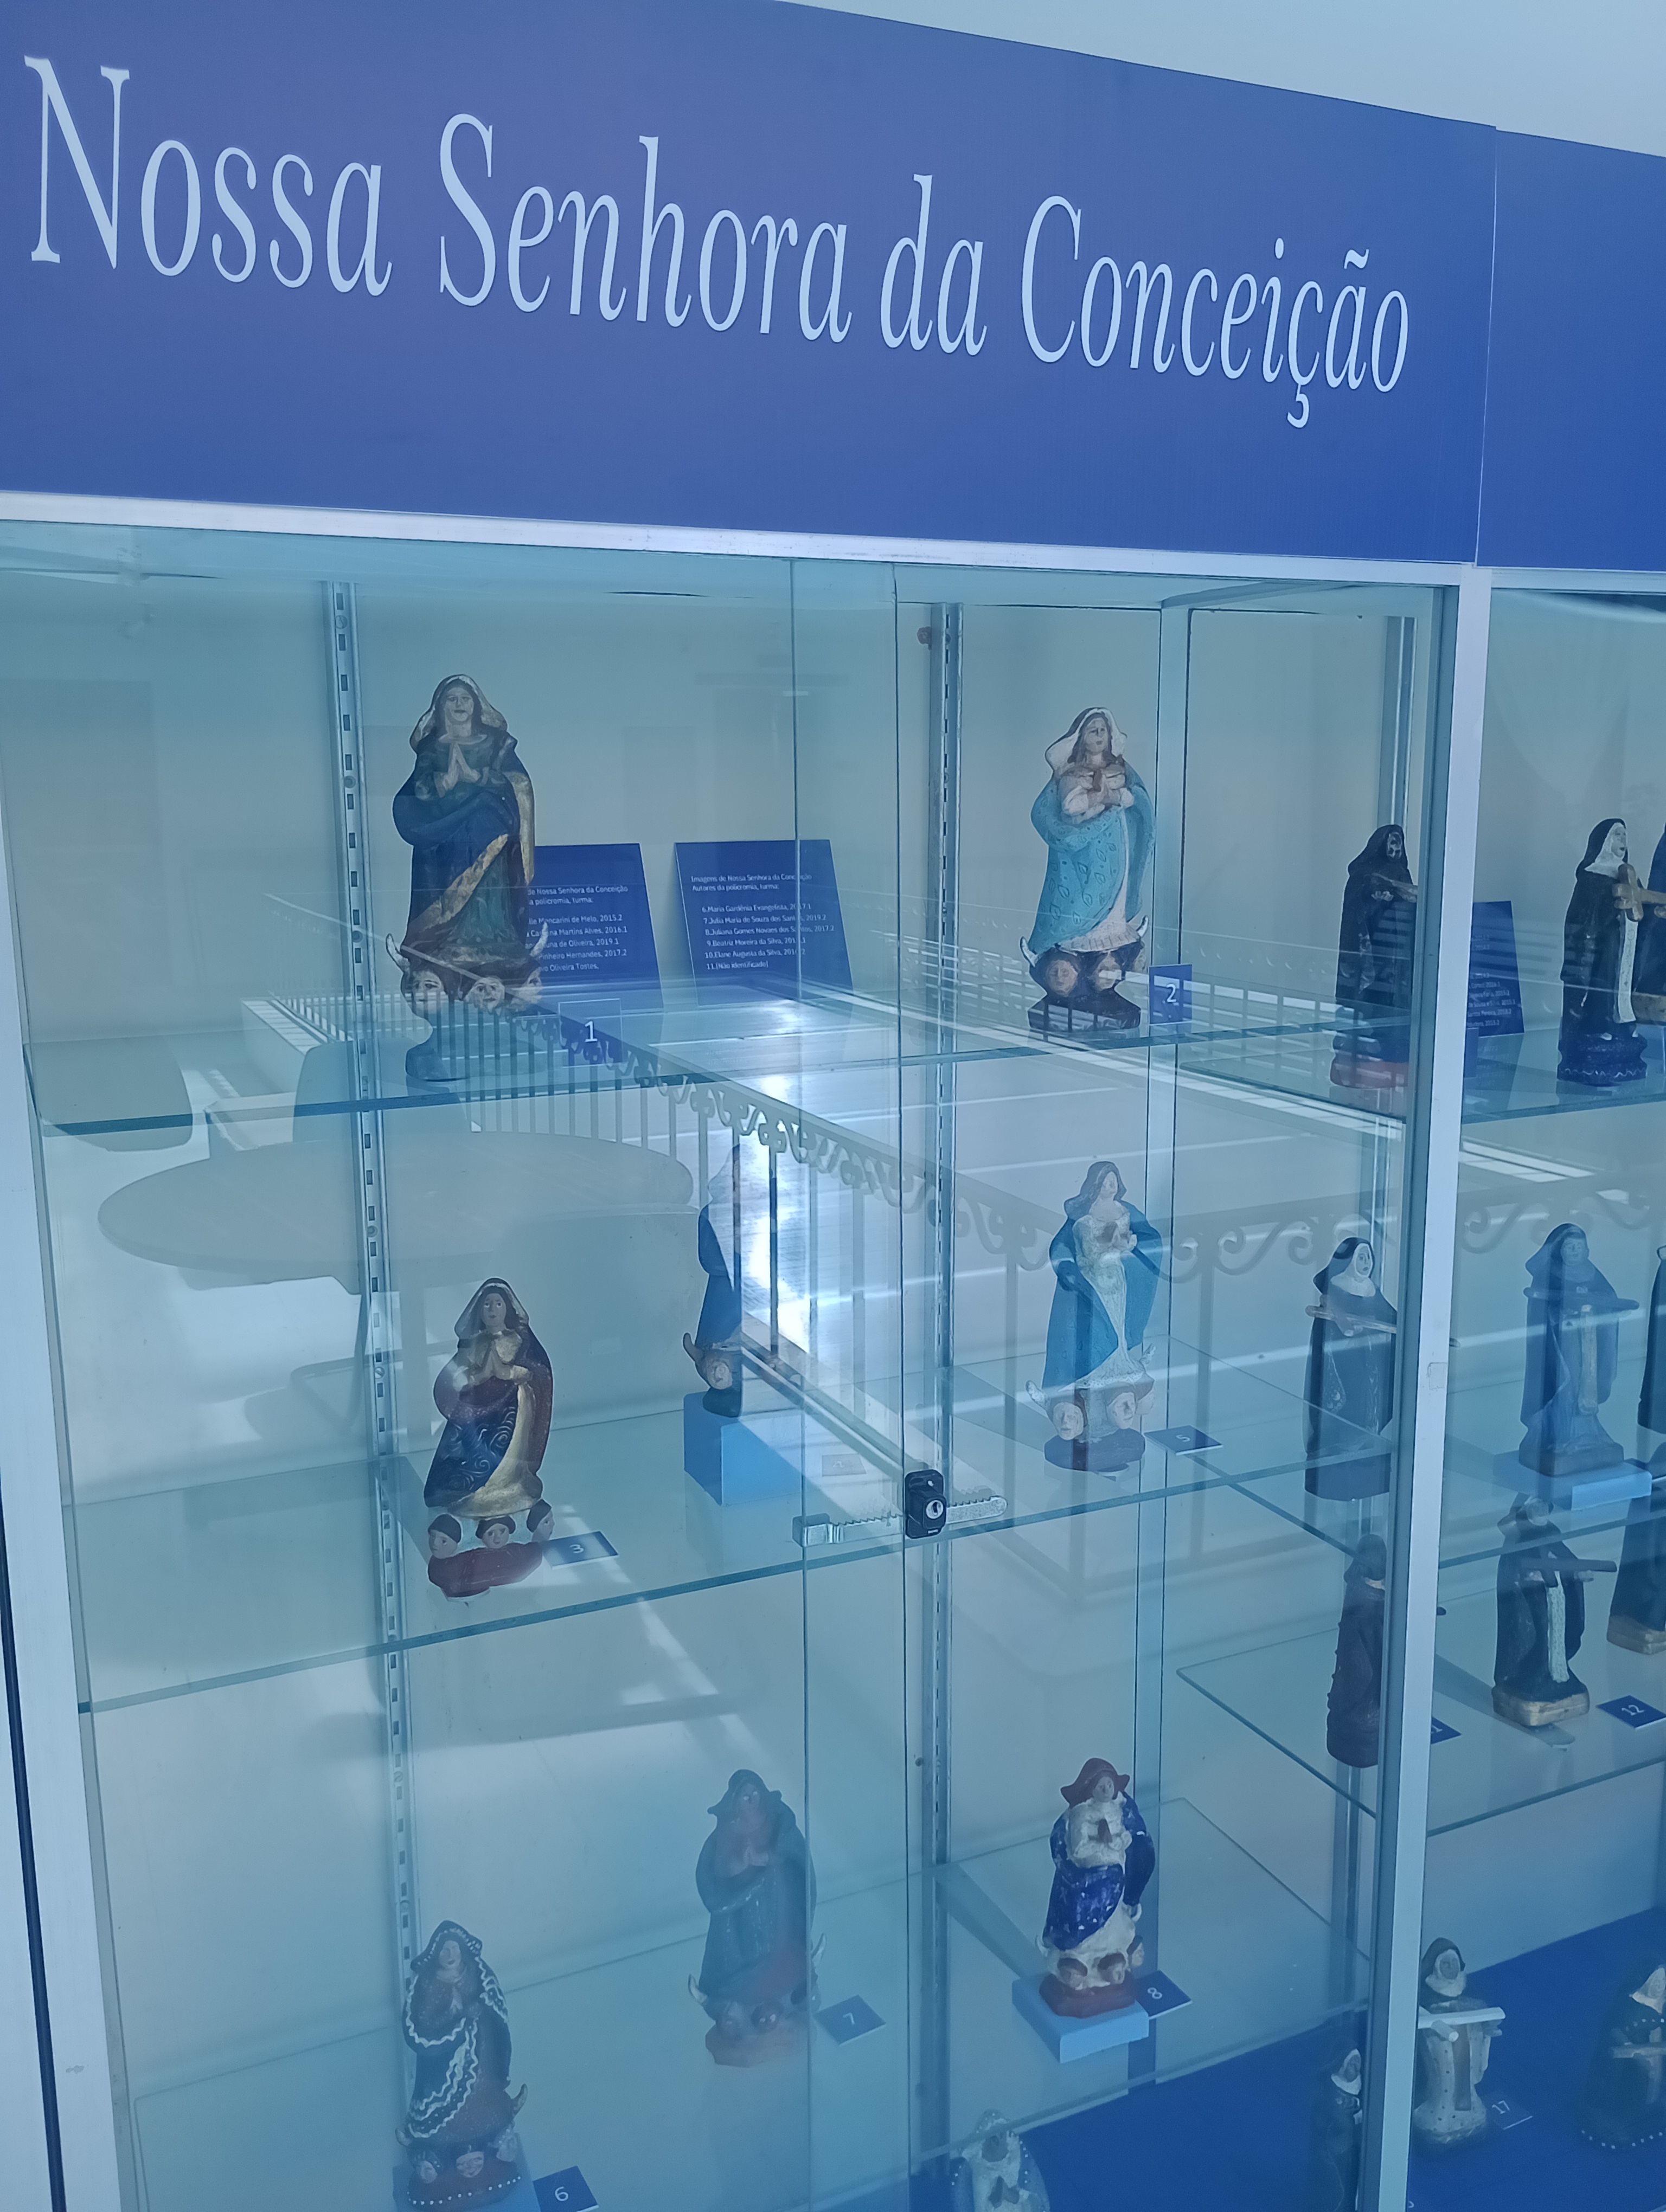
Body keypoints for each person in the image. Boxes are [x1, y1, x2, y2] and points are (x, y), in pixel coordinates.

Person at [392, 675, 544, 1011]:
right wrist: (444, 783)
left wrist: (478, 778)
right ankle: (444, 942)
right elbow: (418, 793)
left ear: (477, 706)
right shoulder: (431, 749)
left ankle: (497, 940)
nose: (459, 704)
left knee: (490, 892)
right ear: (440, 708)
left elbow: (518, 785)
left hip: (492, 837)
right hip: (445, 843)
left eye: (465, 698)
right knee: (448, 889)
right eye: (452, 699)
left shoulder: (497, 744)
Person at [1025, 709, 1155, 1033]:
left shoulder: (1121, 770)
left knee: (1115, 898)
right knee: (1081, 901)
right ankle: (1068, 966)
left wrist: (1123, 798)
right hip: (1084, 855)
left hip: (1116, 849)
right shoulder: (1070, 774)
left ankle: (1107, 968)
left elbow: (1138, 800)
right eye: (1092, 730)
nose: (1098, 735)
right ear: (1080, 738)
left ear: (1111, 736)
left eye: (1103, 730)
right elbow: (1063, 810)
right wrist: (1104, 800)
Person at [1030, 1160, 1162, 1472]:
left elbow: (1147, 1238)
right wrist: (1069, 1270)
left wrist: (1133, 1245)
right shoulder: (1082, 1215)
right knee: (1093, 1335)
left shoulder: (1126, 1210)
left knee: (1117, 1331)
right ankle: (1080, 1405)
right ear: (1095, 1185)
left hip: (1118, 1282)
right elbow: (1062, 1247)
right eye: (1105, 1181)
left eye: (1114, 1180)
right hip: (1090, 1286)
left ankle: (1117, 1394)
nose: (1110, 1186)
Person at [692, 1771, 817, 2064]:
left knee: (784, 1954)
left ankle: (789, 1997)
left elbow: (795, 1855)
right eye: (744, 1796)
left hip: (781, 1904)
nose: (750, 1800)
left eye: (754, 1794)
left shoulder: (781, 1821)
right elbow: (716, 1871)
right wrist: (739, 1865)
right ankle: (740, 2008)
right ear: (734, 1801)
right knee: (747, 1962)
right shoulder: (727, 1830)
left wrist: (767, 1859)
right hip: (744, 1917)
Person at [399, 1922, 526, 2202]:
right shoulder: (428, 1984)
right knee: (445, 2113)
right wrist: (456, 2017)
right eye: (445, 1950)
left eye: (455, 1949)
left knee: (485, 2097)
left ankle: (494, 2134)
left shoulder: (478, 1972)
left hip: (482, 2055)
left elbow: (494, 2002)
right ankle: (436, 2156)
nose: (450, 1955)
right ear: (436, 1954)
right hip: (445, 2066)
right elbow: (424, 2024)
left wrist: (482, 2012)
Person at [425, 1281, 553, 1522]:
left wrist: (510, 1373)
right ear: (479, 1311)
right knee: (473, 1451)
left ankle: (510, 1484)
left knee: (509, 1450)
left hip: (512, 1409)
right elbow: (453, 1375)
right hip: (475, 1413)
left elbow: (537, 1370)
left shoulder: (519, 1341)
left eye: (498, 1304)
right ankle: (474, 1492)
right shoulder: (474, 1344)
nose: (493, 1310)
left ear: (508, 1309)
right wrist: (476, 1377)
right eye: (487, 1304)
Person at [1517, 1224, 1635, 1478]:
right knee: (1566, 1381)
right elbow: (1541, 1307)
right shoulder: (1549, 1274)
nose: (1574, 1252)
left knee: (1586, 1382)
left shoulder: (1591, 1272)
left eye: (1579, 1247)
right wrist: (1565, 1308)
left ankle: (1589, 1435)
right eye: (1569, 1247)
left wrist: (1602, 1307)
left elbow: (1607, 1296)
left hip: (1589, 1339)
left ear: (1587, 1249)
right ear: (1559, 1250)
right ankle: (1558, 1435)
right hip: (1561, 1342)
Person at [1039, 1758, 1154, 2017]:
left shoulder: (1121, 1809)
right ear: (1089, 1789)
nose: (1106, 1790)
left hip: (1117, 1882)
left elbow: (1134, 1840)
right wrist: (1105, 1849)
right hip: (1089, 1884)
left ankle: (1113, 1958)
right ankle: (1077, 1964)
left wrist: (1123, 1844)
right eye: (1100, 1785)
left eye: (1109, 1785)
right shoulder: (1080, 1816)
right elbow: (1077, 1850)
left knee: (1115, 1923)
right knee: (1085, 1922)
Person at [1304, 1238, 1398, 1499]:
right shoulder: (1336, 1288)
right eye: (1360, 1258)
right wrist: (1347, 1329)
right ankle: (1341, 1452)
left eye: (1368, 1257)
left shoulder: (1369, 1289)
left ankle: (1362, 1451)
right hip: (1345, 1363)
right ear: (1348, 1261)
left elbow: (1390, 1318)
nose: (1366, 1263)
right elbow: (1332, 1331)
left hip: (1373, 1363)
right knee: (1349, 1406)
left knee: (1373, 1404)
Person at [1559, 818, 1648, 1086]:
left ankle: (1620, 1027)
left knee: (1622, 989)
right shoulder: (1592, 877)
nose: (1623, 841)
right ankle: (1596, 1027)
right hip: (1601, 950)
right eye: (1617, 835)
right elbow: (1580, 921)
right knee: (1602, 987)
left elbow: (1642, 910)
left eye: (1625, 836)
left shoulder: (1628, 877)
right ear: (1604, 841)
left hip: (1626, 949)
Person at [1331, 824, 1418, 1088]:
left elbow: (1412, 899)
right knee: (1368, 1006)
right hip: (1372, 947)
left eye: (1399, 843)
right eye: (1391, 843)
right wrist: (1376, 893)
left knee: (1393, 1012)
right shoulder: (1363, 874)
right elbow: (1358, 903)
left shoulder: (1401, 872)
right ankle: (1361, 1063)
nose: (1395, 849)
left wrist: (1398, 891)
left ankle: (1390, 1061)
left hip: (1396, 952)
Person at [1582, 1956, 1666, 2149]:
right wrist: (1632, 2049)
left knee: (1652, 2089)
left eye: (1663, 1980)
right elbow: (1615, 2032)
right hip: (1631, 2065)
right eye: (1656, 1980)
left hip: (1657, 2060)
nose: (1659, 1985)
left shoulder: (1662, 2004)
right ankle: (1619, 2118)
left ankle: (1649, 2110)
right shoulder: (1629, 2005)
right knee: (1631, 2090)